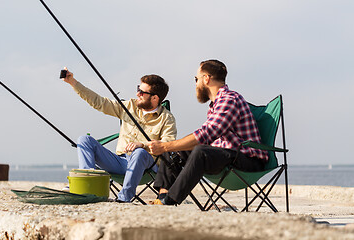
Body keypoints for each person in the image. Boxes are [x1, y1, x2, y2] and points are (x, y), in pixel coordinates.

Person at [147, 60, 269, 205]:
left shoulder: (229, 99)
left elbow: (207, 134)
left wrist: (166, 146)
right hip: (227, 155)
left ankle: (170, 199)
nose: (196, 83)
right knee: (174, 149)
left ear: (206, 79)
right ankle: (163, 195)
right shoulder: (216, 104)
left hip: (248, 160)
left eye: (196, 79)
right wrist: (168, 147)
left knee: (196, 150)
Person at [62, 68, 177, 203]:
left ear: (155, 98)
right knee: (84, 139)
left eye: (142, 92)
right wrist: (72, 82)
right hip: (120, 161)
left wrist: (143, 145)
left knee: (139, 152)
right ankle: (87, 184)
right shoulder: (129, 106)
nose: (137, 93)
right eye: (138, 89)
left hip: (147, 166)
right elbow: (100, 103)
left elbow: (168, 144)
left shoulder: (166, 118)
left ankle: (124, 198)